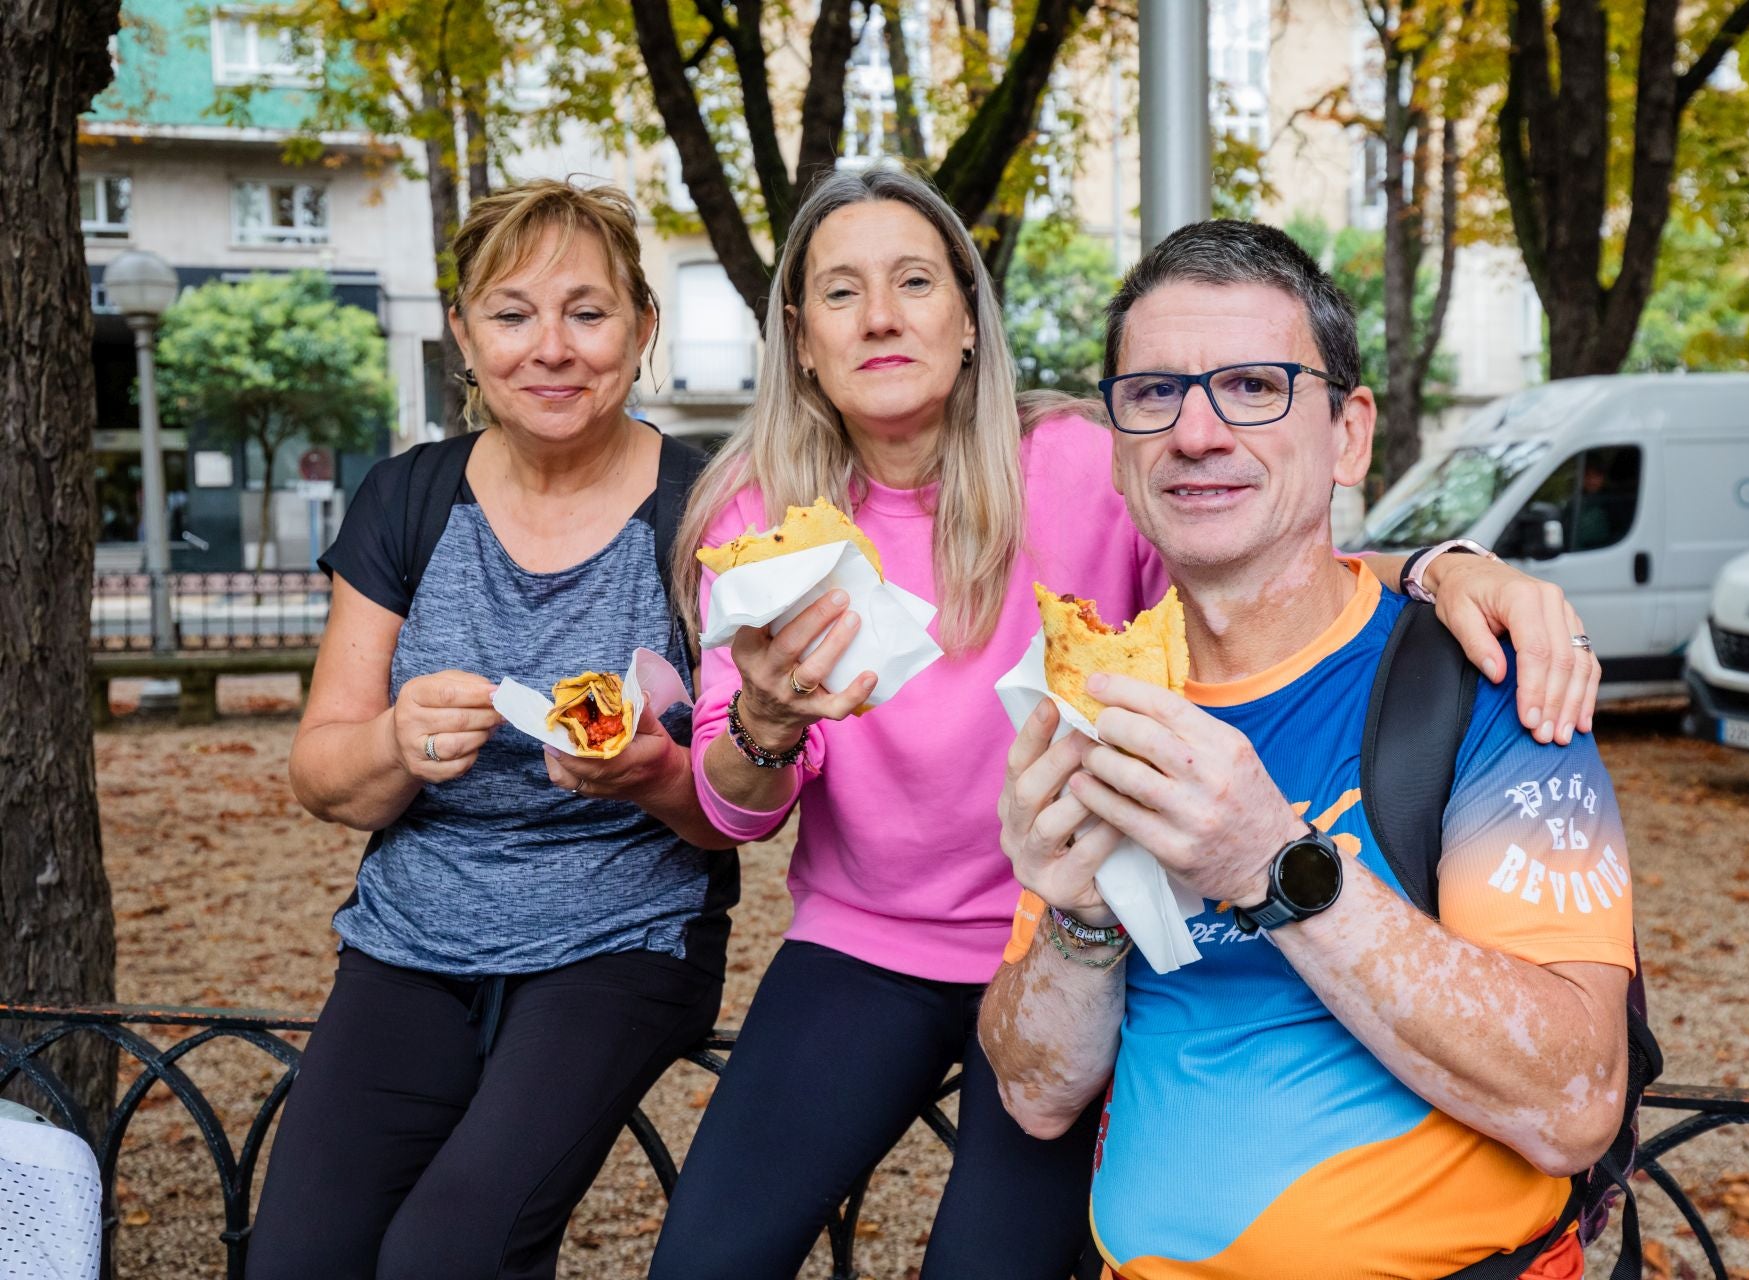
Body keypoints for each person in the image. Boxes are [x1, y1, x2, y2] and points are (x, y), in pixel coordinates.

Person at [649, 167, 1602, 1279]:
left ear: (968, 316)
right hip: (870, 938)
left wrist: (1447, 567)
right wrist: (763, 720)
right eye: (841, 291)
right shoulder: (751, 514)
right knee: (704, 1258)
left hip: (1093, 920)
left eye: (915, 280)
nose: (882, 314)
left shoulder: (1080, 458)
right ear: (800, 337)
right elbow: (732, 809)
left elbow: (1258, 561)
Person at [982, 219, 1635, 1280]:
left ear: (1348, 432)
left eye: (1253, 385)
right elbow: (1035, 1088)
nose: (1195, 431)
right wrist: (1080, 920)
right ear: (1118, 443)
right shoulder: (1100, 698)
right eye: (1153, 392)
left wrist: (1271, 866)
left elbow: (1573, 1100)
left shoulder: (1484, 678)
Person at [251, 180, 738, 1280]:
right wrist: (393, 742)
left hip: (622, 936)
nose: (552, 348)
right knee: (297, 1257)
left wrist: (654, 773)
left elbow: (740, 809)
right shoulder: (408, 497)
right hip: (410, 937)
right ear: (464, 334)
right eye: (513, 314)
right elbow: (324, 773)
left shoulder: (708, 511)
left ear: (643, 327)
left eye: (589, 311)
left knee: (448, 1252)